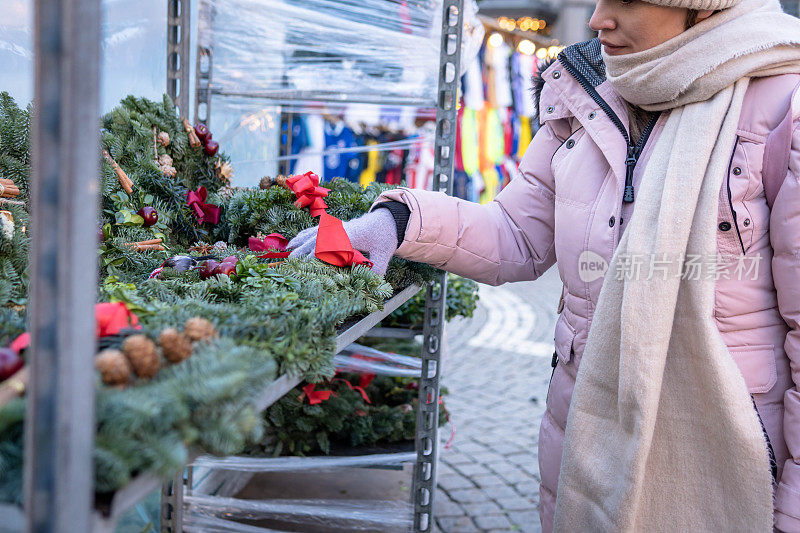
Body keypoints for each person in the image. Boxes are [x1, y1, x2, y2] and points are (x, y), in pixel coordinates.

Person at [289, 0, 800, 529]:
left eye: (624, 0)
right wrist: (399, 220)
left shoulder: (784, 102)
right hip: (586, 428)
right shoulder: (587, 90)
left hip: (725, 449)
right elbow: (516, 233)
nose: (599, 18)